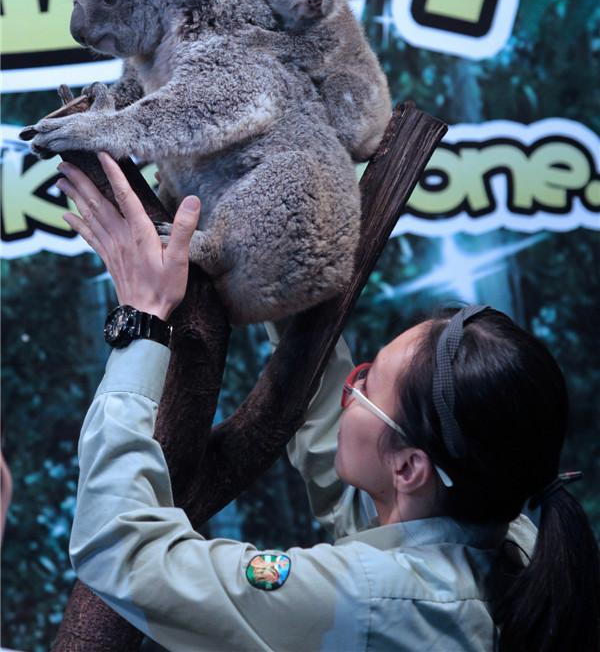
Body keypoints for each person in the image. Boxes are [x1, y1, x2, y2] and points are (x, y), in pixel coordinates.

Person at [57, 152, 600, 652]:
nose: (350, 389)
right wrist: (264, 239)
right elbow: (345, 473)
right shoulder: (508, 540)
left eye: (367, 385)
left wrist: (144, 317)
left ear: (410, 467)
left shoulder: (380, 599)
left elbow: (121, 552)